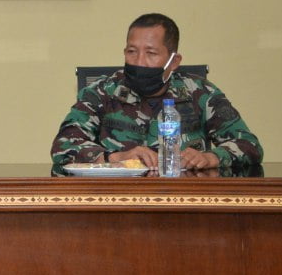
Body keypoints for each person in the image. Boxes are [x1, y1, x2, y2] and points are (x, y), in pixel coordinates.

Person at [50, 13, 263, 169]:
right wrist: (115, 157)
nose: (139, 61)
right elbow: (63, 146)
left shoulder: (200, 92)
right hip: (117, 200)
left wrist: (211, 157)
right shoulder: (101, 92)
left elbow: (249, 145)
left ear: (174, 61)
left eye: (151, 53)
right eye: (132, 52)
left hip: (184, 200)